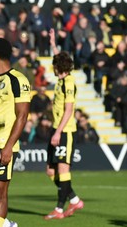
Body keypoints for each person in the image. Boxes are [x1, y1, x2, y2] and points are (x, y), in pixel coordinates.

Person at [0, 38, 31, 227]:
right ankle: (5, 224)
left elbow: (23, 116)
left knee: (0, 193)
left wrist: (9, 146)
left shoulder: (18, 80)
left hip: (2, 145)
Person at [44, 51, 84, 220]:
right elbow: (60, 57)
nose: (52, 68)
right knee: (50, 171)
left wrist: (58, 132)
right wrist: (53, 44)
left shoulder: (69, 82)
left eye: (54, 65)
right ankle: (74, 199)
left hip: (65, 131)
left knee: (62, 168)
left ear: (59, 67)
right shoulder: (61, 80)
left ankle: (59, 209)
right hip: (56, 129)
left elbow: (69, 110)